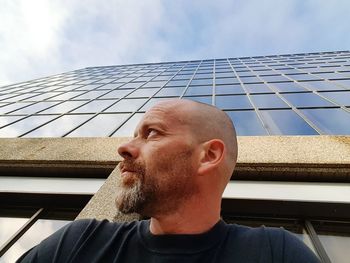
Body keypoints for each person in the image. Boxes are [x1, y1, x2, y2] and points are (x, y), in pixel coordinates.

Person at [17, 99, 320, 263]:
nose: (124, 148)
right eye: (134, 134)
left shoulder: (274, 252)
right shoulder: (81, 241)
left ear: (209, 155)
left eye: (152, 133)